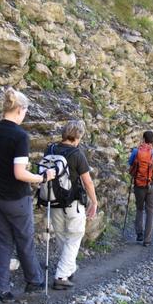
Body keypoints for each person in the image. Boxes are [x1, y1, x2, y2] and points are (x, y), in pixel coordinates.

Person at [0, 88, 55, 304]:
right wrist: (43, 177)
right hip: (16, 198)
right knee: (25, 238)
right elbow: (20, 174)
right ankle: (34, 281)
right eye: (26, 111)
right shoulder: (20, 136)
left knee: (3, 241)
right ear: (20, 109)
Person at [47, 120, 98, 290]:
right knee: (75, 236)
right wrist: (94, 201)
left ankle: (68, 268)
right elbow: (87, 182)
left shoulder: (50, 149)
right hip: (73, 202)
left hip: (53, 200)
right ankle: (61, 276)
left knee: (62, 236)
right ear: (78, 136)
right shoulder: (77, 154)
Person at [128, 130, 153, 246]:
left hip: (139, 185)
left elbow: (131, 165)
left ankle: (139, 234)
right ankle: (147, 240)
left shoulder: (136, 152)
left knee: (139, 209)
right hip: (152, 186)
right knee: (151, 211)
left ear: (143, 139)